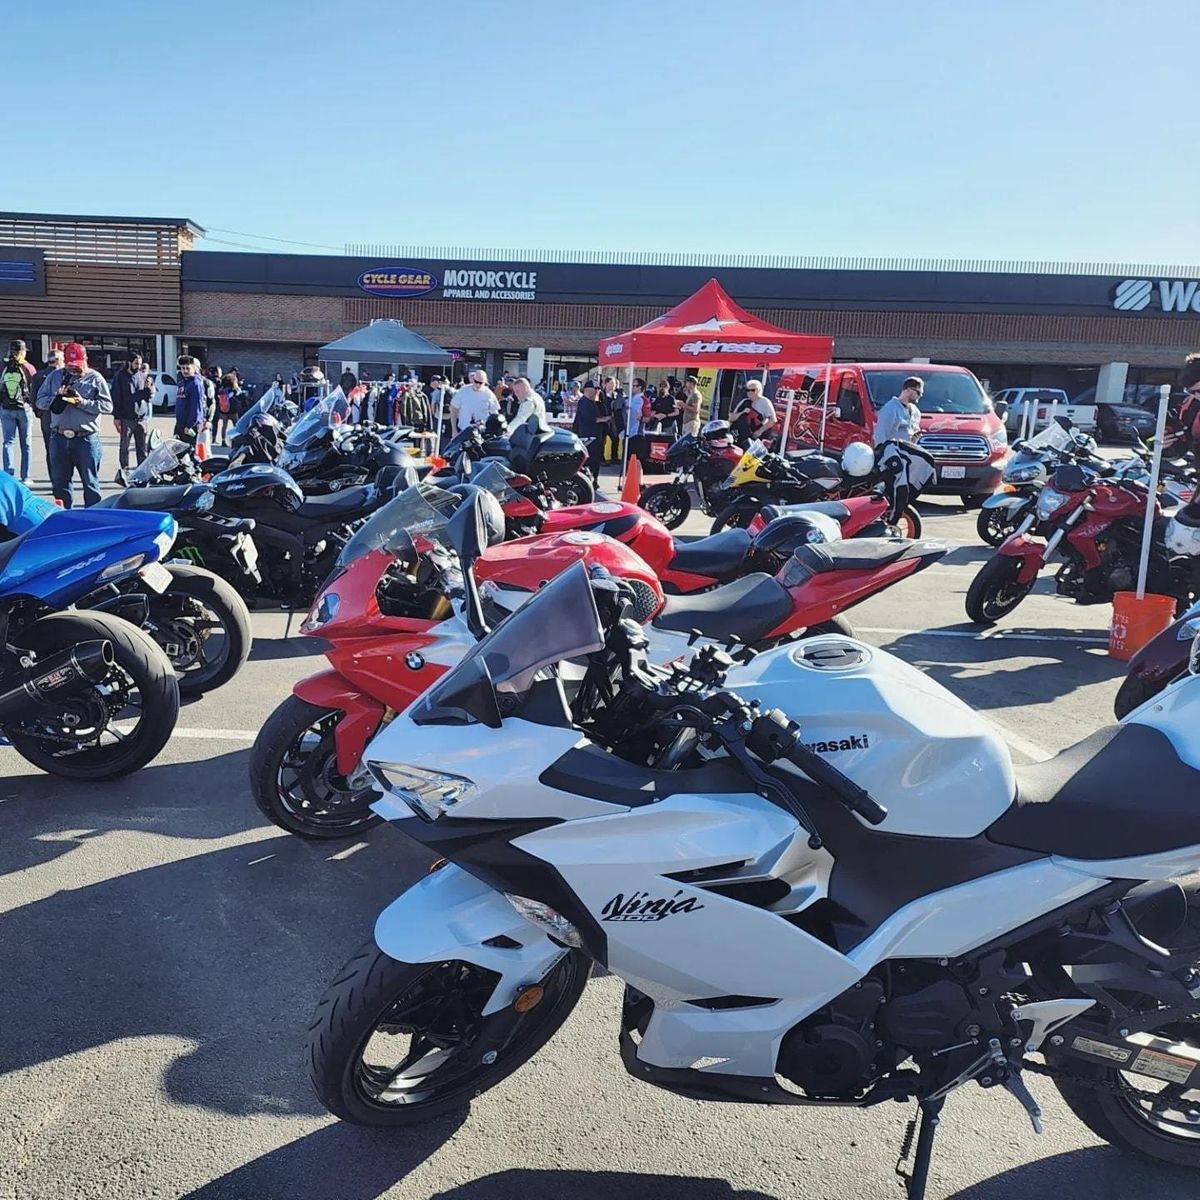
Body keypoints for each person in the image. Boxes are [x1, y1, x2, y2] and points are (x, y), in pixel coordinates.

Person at [35, 342, 112, 507]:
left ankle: (92, 521)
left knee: (90, 484)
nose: (73, 369)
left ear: (85, 360)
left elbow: (107, 406)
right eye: (69, 365)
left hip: (85, 439)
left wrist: (81, 402)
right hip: (59, 437)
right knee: (60, 484)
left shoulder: (95, 378)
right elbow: (39, 402)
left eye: (77, 365)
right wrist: (57, 398)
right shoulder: (54, 377)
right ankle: (64, 519)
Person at [111, 352, 155, 473]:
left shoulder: (142, 376)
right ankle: (124, 471)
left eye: (140, 364)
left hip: (141, 418)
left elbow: (149, 397)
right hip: (126, 418)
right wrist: (116, 417)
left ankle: (142, 472)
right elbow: (116, 397)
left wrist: (150, 389)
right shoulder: (120, 377)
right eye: (136, 363)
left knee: (142, 448)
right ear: (129, 362)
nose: (138, 366)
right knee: (124, 447)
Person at [0, 340, 36, 484]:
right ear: (23, 352)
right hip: (24, 408)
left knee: (8, 441)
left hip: (6, 408)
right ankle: (26, 476)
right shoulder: (28, 367)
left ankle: (8, 473)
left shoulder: (3, 366)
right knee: (26, 443)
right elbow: (35, 385)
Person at [30, 347, 63, 470]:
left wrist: (38, 412)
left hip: (45, 416)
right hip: (61, 416)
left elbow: (33, 396)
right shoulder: (63, 375)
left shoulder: (38, 375)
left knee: (50, 447)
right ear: (59, 360)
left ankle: (53, 475)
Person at [874, 376, 924, 446]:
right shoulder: (890, 408)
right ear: (908, 390)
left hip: (908, 453)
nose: (920, 395)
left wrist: (915, 437)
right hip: (893, 453)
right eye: (918, 392)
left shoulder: (916, 412)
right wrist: (881, 452)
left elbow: (914, 433)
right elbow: (880, 433)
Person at [449, 369, 499, 433]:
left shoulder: (489, 394)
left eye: (481, 383)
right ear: (473, 379)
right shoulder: (463, 391)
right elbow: (453, 409)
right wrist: (454, 430)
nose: (478, 385)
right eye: (476, 382)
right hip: (464, 430)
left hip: (481, 431)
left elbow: (495, 414)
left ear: (485, 382)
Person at [730, 379, 778, 446]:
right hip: (739, 437)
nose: (750, 392)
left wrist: (759, 431)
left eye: (753, 390)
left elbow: (773, 420)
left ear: (759, 390)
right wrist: (742, 412)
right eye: (748, 390)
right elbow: (731, 418)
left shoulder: (765, 402)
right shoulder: (744, 401)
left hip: (754, 439)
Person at [173, 356, 206, 447]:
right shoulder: (182, 383)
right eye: (183, 368)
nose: (185, 371)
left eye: (188, 368)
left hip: (190, 425)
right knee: (177, 451)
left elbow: (196, 407)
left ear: (194, 368)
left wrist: (189, 425)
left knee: (189, 452)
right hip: (180, 423)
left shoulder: (195, 384)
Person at [574, 380, 605, 467]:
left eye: (598, 389)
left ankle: (594, 478)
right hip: (587, 437)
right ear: (587, 390)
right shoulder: (584, 402)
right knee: (589, 462)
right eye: (595, 389)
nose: (597, 392)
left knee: (595, 461)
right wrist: (605, 419)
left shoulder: (594, 403)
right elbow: (590, 418)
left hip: (595, 438)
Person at [214, 372, 244, 445]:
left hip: (223, 411)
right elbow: (241, 397)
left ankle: (223, 441)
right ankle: (236, 439)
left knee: (224, 426)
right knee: (236, 425)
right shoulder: (234, 390)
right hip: (233, 411)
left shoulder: (222, 390)